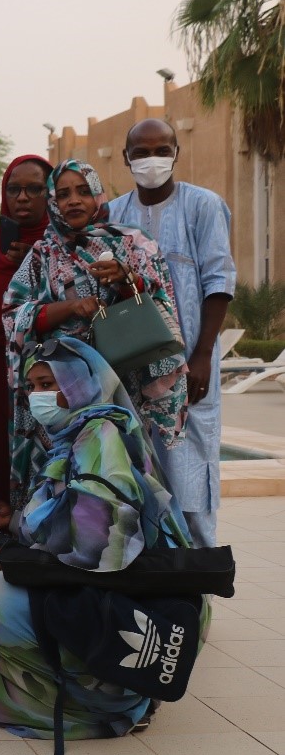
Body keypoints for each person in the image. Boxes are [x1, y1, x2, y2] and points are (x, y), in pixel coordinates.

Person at [0, 337, 192, 742]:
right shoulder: (76, 434)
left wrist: (20, 549)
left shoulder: (100, 436)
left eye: (48, 383)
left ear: (80, 382)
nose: (38, 396)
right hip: (106, 582)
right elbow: (68, 510)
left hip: (126, 591)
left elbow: (93, 541)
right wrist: (15, 522)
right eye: (31, 386)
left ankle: (93, 708)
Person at [4, 160, 188, 511]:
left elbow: (160, 299)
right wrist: (69, 309)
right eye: (64, 193)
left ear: (98, 195)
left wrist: (125, 278)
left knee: (119, 475)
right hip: (63, 393)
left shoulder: (133, 242)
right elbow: (13, 315)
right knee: (63, 479)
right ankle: (65, 550)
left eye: (83, 191)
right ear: (53, 202)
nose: (74, 201)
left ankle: (123, 551)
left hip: (124, 384)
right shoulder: (42, 254)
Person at [109, 118, 236, 548]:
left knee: (191, 474)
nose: (151, 160)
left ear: (176, 153)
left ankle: (199, 579)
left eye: (161, 150)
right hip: (134, 371)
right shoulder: (115, 214)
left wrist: (202, 356)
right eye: (141, 153)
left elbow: (219, 281)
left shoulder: (204, 206)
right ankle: (155, 581)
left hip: (189, 369)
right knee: (139, 471)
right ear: (126, 158)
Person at [0, 155, 54, 506]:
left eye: (34, 189)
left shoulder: (64, 250)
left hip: (50, 379)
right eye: (14, 189)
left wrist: (32, 267)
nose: (22, 198)